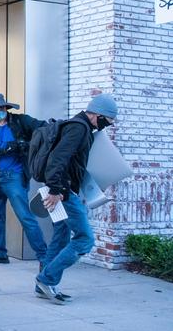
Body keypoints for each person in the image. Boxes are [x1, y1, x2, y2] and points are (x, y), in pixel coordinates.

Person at [35, 94, 117, 305]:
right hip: (62, 192)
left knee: (61, 236)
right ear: (97, 115)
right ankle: (46, 279)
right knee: (84, 239)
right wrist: (55, 189)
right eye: (107, 121)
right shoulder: (78, 128)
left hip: (63, 190)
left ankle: (43, 286)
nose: (107, 125)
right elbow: (57, 159)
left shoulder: (82, 128)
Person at [0, 93, 48, 264]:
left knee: (25, 217)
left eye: (1, 107)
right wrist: (1, 150)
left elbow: (43, 129)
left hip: (15, 177)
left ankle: (44, 256)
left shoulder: (21, 121)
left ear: (6, 107)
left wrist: (25, 144)